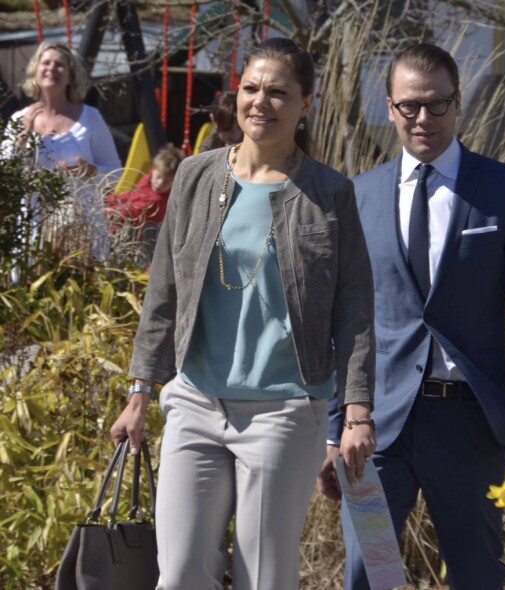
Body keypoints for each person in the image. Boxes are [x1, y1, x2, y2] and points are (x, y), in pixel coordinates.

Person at [110, 37, 376, 590]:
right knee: (180, 573)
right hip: (194, 401)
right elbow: (164, 291)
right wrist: (139, 391)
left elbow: (354, 310)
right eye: (251, 89)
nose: (261, 102)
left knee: (264, 578)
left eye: (279, 92)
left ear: (307, 103)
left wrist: (356, 414)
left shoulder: (329, 193)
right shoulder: (195, 176)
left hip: (283, 411)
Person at [317, 43, 505, 590]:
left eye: (437, 104)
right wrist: (333, 430)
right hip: (375, 430)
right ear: (389, 107)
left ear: (458, 106)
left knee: (476, 575)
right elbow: (346, 322)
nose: (423, 118)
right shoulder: (359, 195)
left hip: (469, 425)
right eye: (410, 106)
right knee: (371, 574)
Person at [1, 40, 121, 260]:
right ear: (35, 71)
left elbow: (116, 174)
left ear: (71, 75)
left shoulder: (91, 118)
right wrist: (22, 136)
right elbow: (5, 173)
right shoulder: (19, 119)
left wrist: (90, 171)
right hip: (33, 228)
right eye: (45, 63)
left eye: (60, 65)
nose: (52, 69)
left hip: (81, 229)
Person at [105, 143, 185, 263]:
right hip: (131, 223)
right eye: (158, 177)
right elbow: (133, 196)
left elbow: (133, 210)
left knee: (137, 259)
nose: (160, 183)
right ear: (153, 170)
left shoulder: (156, 200)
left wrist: (113, 210)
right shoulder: (148, 179)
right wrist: (113, 200)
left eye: (167, 182)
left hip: (142, 232)